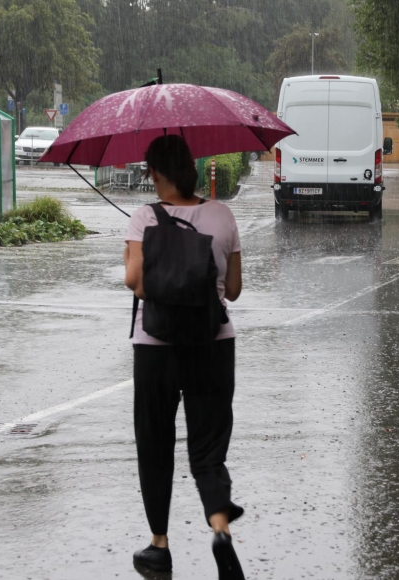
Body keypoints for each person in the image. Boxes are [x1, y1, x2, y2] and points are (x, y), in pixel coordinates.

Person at [123, 134, 245, 579]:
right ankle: (219, 526)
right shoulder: (222, 215)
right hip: (212, 344)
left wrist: (141, 256)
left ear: (157, 174)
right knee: (208, 450)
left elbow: (136, 283)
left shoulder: (143, 218)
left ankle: (159, 547)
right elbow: (232, 290)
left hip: (155, 347)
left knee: (155, 445)